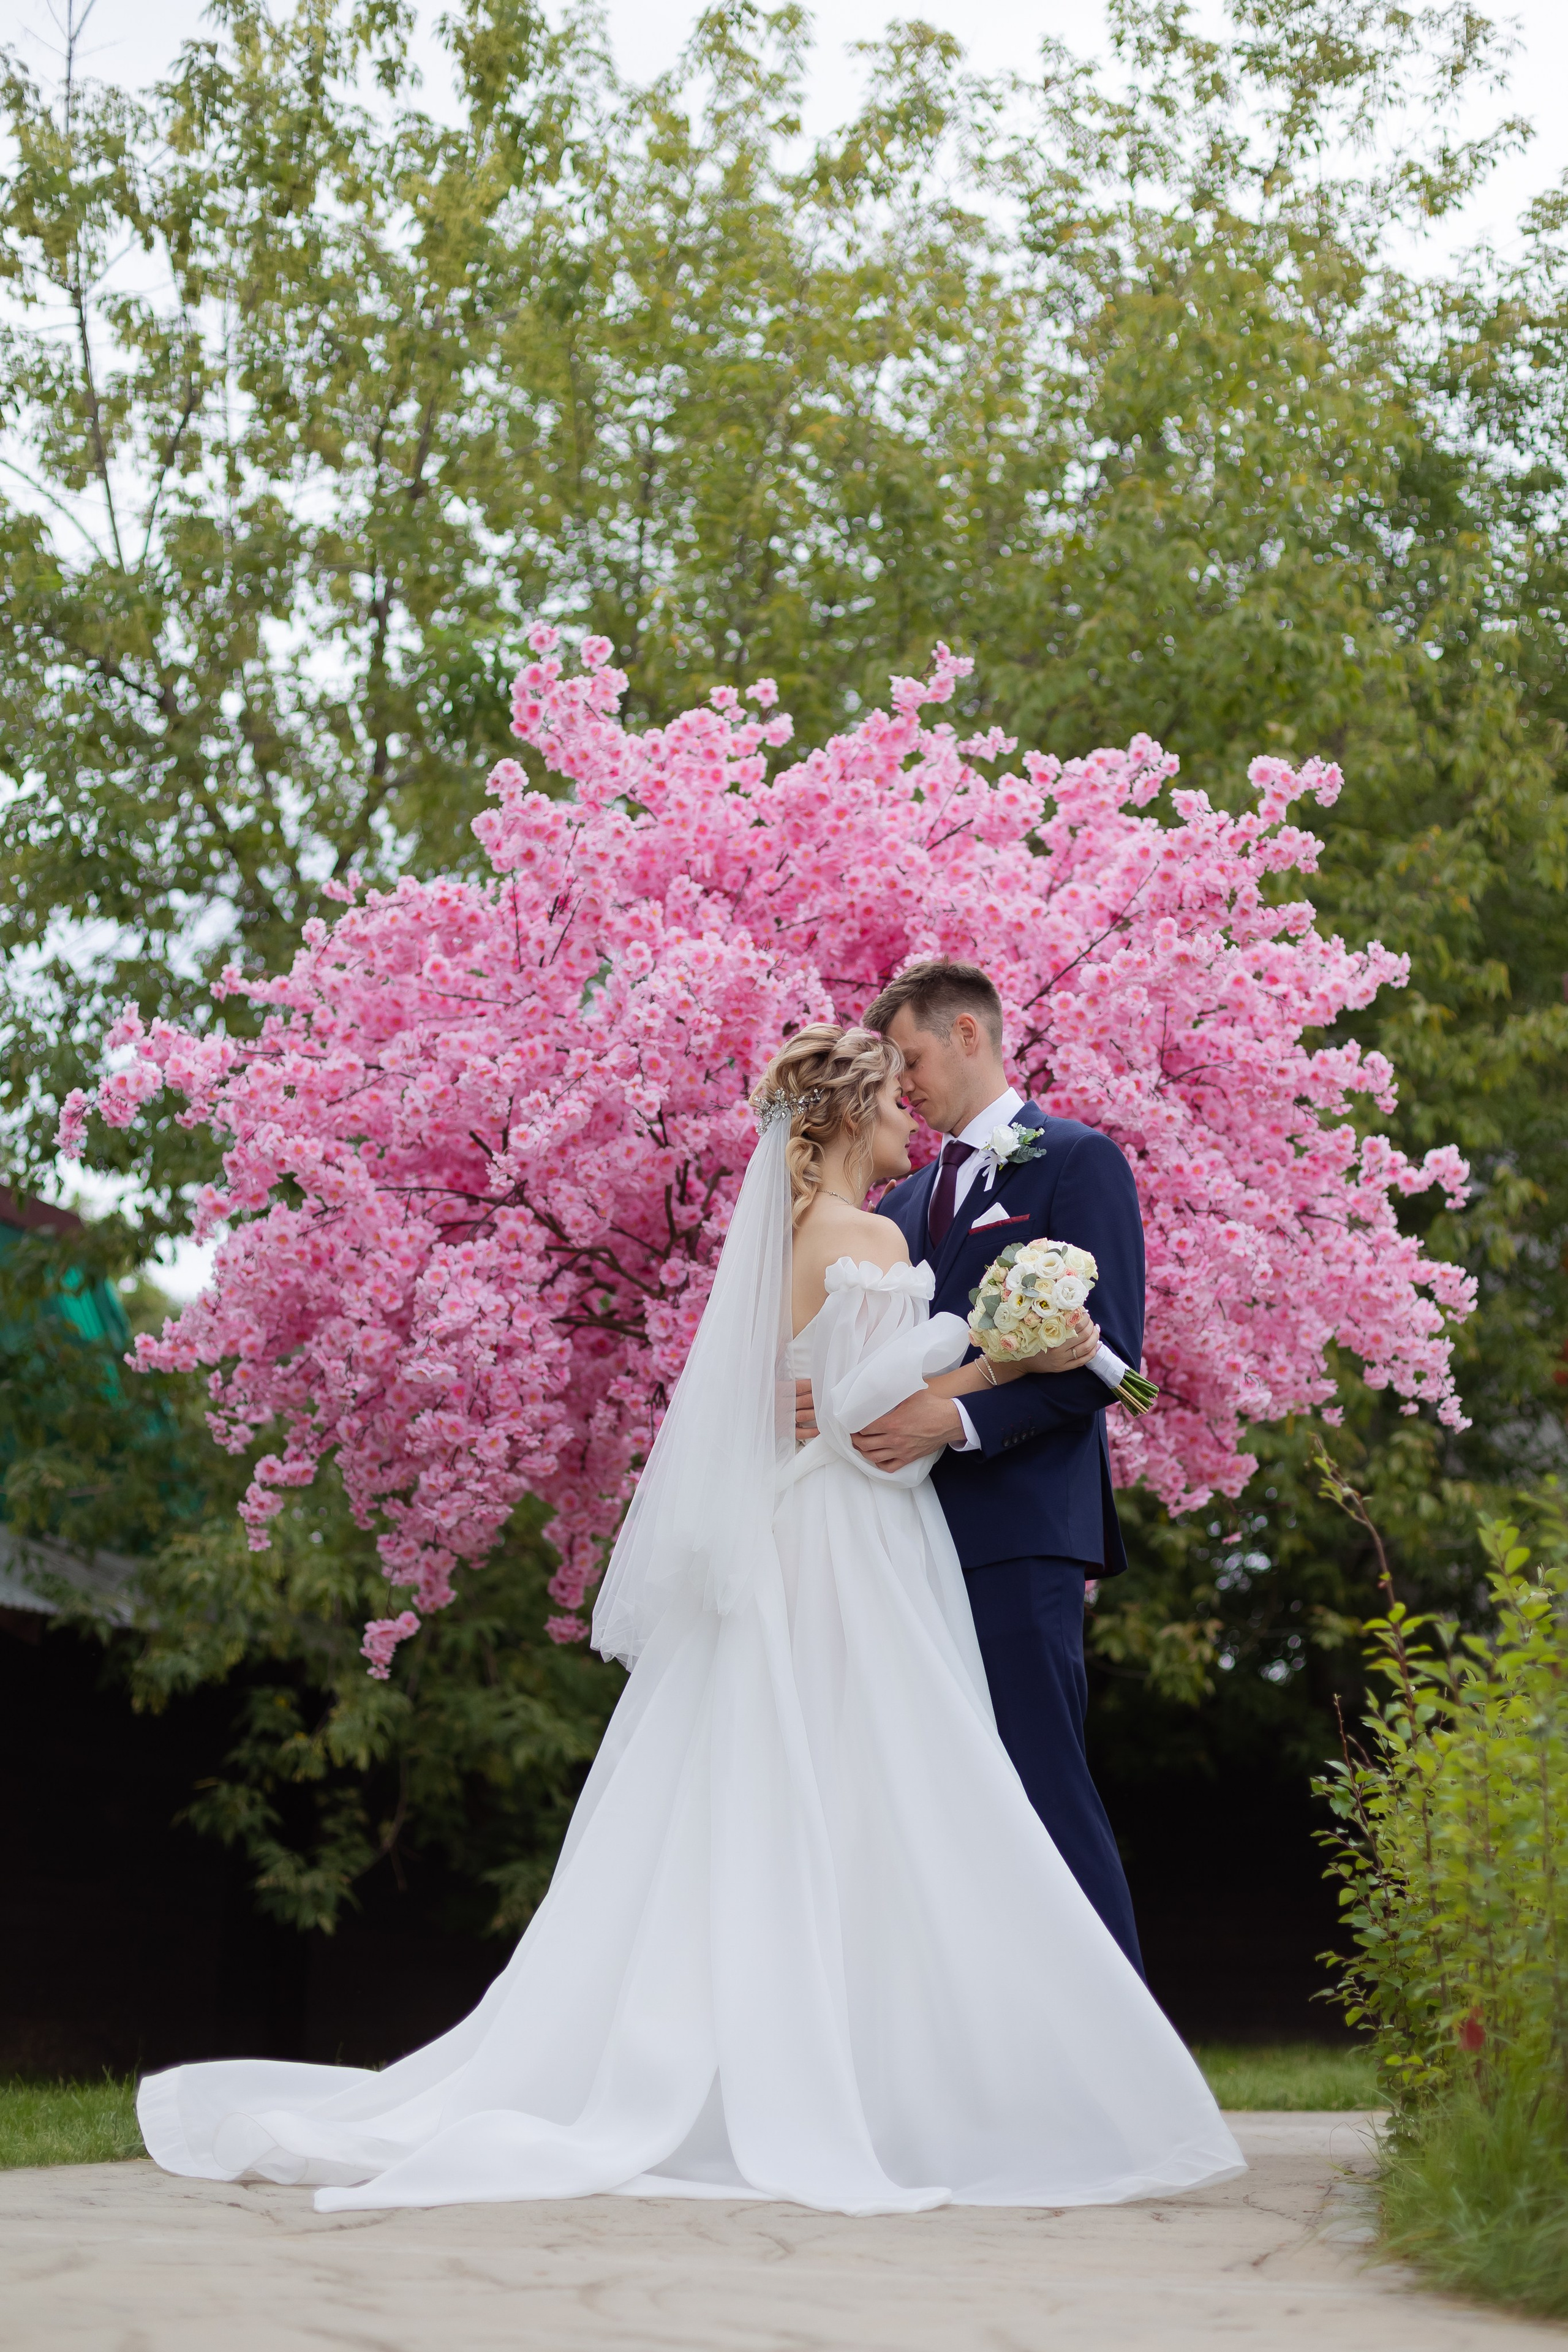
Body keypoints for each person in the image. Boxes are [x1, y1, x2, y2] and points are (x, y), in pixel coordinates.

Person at [136, 1025, 1241, 2215]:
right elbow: (870, 1421)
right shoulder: (865, 1235)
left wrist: (953, 1370)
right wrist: (1013, 1362)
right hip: (843, 1542)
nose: (907, 1125)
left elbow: (790, 1399)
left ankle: (780, 2045)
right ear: (850, 1116)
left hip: (783, 1527)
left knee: (767, 1790)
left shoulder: (780, 1244)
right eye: (890, 1105)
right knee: (883, 1787)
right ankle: (881, 2070)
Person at [846, 960, 1149, 1975]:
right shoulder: (905, 1199)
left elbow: (1107, 1364)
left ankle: (1125, 2063)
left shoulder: (1077, 1161)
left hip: (1022, 1534)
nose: (905, 1083)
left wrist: (953, 1423)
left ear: (969, 1034)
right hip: (901, 1539)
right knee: (943, 1809)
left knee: (1043, 1785)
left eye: (914, 1057)